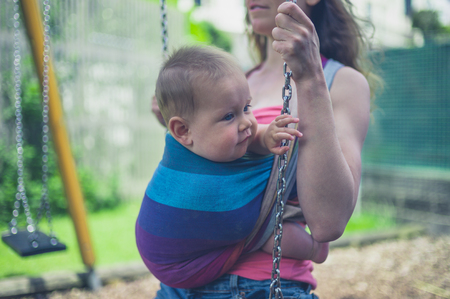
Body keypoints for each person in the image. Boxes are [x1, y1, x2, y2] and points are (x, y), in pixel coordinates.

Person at [153, 0, 376, 297]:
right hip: (178, 285)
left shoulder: (340, 82)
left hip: (255, 286)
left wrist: (309, 77)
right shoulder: (231, 81)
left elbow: (328, 223)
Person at [136, 46, 329, 289]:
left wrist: (266, 136)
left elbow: (250, 138)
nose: (247, 121)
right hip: (179, 272)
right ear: (183, 131)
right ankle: (313, 247)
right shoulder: (186, 166)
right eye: (229, 116)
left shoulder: (216, 139)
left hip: (212, 264)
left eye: (247, 107)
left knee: (270, 235)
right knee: (267, 236)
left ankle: (316, 249)